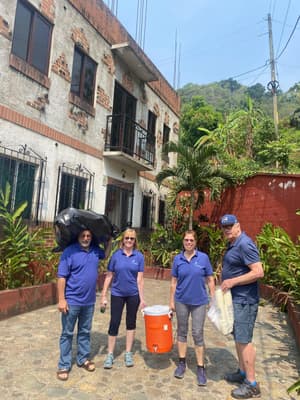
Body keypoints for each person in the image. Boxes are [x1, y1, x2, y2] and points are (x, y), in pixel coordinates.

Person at [56, 229, 110, 381]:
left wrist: (110, 240)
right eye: (83, 236)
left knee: (85, 331)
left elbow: (105, 255)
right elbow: (61, 277)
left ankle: (83, 359)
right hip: (72, 301)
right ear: (77, 236)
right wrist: (61, 299)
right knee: (67, 334)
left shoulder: (94, 251)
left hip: (89, 301)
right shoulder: (69, 252)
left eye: (88, 236)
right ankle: (64, 365)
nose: (86, 238)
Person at [220, 214, 264, 399]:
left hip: (245, 300)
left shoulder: (245, 243)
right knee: (239, 338)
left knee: (244, 340)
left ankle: (252, 384)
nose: (227, 229)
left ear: (238, 225)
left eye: (230, 226)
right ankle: (242, 372)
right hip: (236, 300)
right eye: (224, 227)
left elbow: (258, 271)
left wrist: (232, 281)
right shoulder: (234, 243)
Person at [170, 230, 215, 386]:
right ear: (183, 242)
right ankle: (182, 363)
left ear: (196, 242)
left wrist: (213, 298)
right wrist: (171, 301)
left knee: (197, 333)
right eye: (186, 240)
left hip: (199, 302)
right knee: (181, 331)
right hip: (181, 300)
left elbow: (210, 279)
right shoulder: (178, 259)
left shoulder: (203, 258)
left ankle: (200, 368)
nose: (188, 243)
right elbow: (174, 282)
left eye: (191, 240)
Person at [100, 228, 145, 369]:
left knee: (131, 322)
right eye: (127, 238)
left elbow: (140, 280)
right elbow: (109, 276)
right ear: (123, 240)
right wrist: (103, 295)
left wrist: (142, 299)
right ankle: (110, 354)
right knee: (114, 322)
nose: (129, 241)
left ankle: (128, 353)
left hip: (133, 294)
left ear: (135, 241)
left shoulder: (139, 257)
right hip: (117, 293)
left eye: (132, 238)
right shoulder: (116, 256)